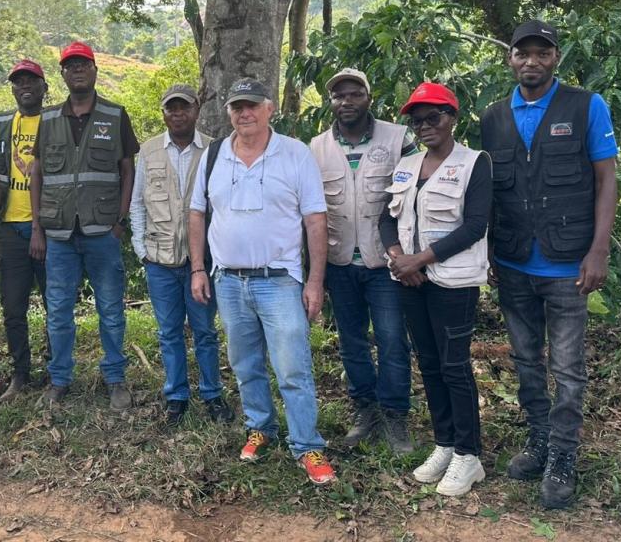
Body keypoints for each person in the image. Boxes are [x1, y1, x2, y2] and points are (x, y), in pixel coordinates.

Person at [481, 20, 619, 509]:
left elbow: (607, 181)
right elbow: (490, 195)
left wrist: (599, 250)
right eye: (523, 53)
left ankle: (563, 456)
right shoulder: (494, 116)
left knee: (567, 366)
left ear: (555, 57)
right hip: (514, 263)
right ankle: (538, 441)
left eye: (542, 53)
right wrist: (491, 253)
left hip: (567, 265)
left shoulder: (586, 106)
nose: (531, 61)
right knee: (525, 362)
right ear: (511, 59)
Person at [188, 79, 337, 486]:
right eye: (237, 106)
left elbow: (315, 219)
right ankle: (260, 427)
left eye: (252, 105)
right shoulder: (215, 154)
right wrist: (199, 268)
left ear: (269, 108)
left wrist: (315, 280)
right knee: (244, 363)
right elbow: (198, 212)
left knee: (292, 367)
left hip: (280, 281)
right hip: (229, 282)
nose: (244, 113)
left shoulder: (294, 153)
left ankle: (307, 444)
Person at [379, 82, 492, 497]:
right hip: (409, 280)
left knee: (454, 366)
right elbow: (385, 217)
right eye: (417, 119)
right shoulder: (407, 164)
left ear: (453, 118)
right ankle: (445, 443)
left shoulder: (474, 163)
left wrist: (419, 259)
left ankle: (469, 454)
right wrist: (397, 257)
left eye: (434, 117)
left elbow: (475, 225)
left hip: (453, 283)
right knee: (428, 363)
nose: (425, 126)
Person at [309, 67, 418, 452]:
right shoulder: (316, 147)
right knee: (352, 341)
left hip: (384, 263)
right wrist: (314, 271)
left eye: (354, 94)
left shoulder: (397, 139)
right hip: (339, 263)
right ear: (331, 102)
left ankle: (394, 415)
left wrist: (411, 255)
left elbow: (416, 197)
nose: (346, 102)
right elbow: (310, 211)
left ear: (368, 97)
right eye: (339, 96)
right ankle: (365, 409)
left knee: (391, 339)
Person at [29, 41, 140, 411]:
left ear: (94, 70)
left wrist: (120, 221)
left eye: (83, 64)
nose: (77, 70)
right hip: (59, 234)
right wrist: (37, 229)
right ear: (62, 74)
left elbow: (127, 170)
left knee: (110, 308)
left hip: (102, 231)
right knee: (58, 311)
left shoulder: (115, 114)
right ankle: (60, 379)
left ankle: (115, 378)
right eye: (70, 66)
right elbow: (38, 176)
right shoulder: (47, 120)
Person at [130, 84, 234, 426]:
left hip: (199, 262)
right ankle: (176, 395)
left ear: (196, 110)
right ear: (164, 113)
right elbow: (137, 203)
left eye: (184, 108)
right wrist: (141, 248)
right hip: (159, 260)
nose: (177, 114)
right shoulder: (148, 151)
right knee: (169, 331)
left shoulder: (215, 151)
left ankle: (212, 393)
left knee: (204, 330)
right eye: (171, 108)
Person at [0, 59, 50, 401]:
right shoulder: (1, 124)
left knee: (56, 303)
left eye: (31, 80)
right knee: (12, 308)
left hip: (51, 228)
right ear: (12, 88)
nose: (25, 86)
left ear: (44, 87)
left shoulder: (56, 121)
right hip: (11, 227)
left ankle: (55, 371)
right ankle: (20, 374)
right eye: (18, 81)